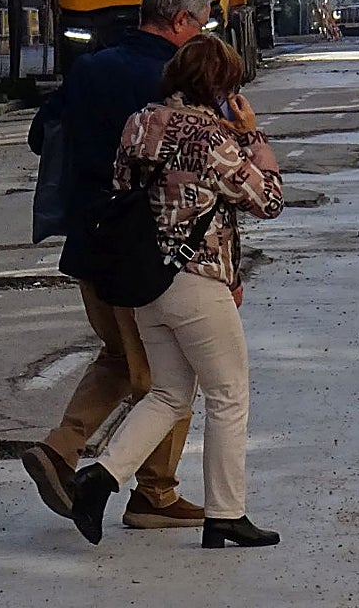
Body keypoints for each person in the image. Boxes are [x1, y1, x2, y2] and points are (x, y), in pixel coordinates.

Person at [22, 0, 220, 531]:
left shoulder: (91, 67)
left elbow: (43, 135)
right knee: (170, 374)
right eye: (201, 24)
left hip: (89, 245)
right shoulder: (172, 82)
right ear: (180, 20)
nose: (203, 33)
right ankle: (153, 494)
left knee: (118, 355)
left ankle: (61, 448)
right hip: (146, 257)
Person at [69, 33, 285, 548]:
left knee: (168, 392)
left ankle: (99, 476)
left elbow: (123, 186)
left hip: (145, 278)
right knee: (228, 394)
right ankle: (226, 514)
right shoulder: (213, 137)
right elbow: (268, 199)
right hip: (197, 279)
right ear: (220, 86)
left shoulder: (140, 123)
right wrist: (253, 136)